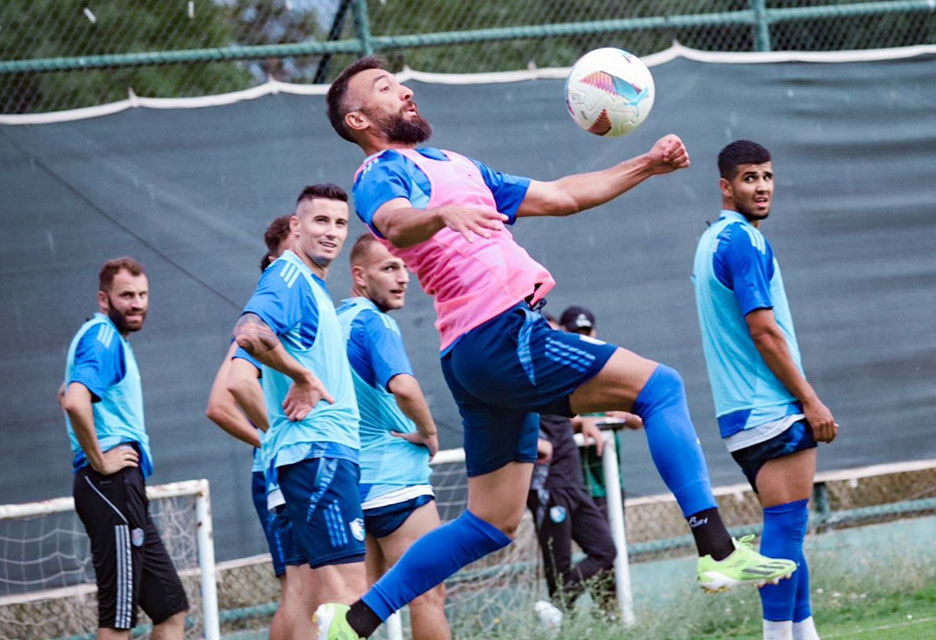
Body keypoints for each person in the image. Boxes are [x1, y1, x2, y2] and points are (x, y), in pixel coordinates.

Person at [314, 55, 796, 640]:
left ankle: (354, 620)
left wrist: (646, 164)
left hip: (473, 351)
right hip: (501, 334)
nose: (406, 92)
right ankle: (717, 551)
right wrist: (439, 214)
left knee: (490, 521)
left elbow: (563, 195)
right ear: (360, 120)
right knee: (660, 388)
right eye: (387, 88)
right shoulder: (379, 172)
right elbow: (394, 222)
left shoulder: (454, 164)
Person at [691, 140, 838, 640]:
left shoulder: (711, 240)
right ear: (725, 186)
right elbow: (764, 332)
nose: (762, 187)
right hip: (771, 407)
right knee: (786, 529)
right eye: (749, 178)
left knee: (787, 530)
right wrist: (810, 399)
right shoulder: (743, 241)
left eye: (767, 176)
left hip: (740, 414)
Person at [233, 184, 367, 638]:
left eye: (340, 223)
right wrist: (301, 376)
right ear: (296, 226)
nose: (332, 231)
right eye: (320, 220)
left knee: (308, 598)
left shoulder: (310, 285)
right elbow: (249, 332)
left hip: (310, 456)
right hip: (318, 454)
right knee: (349, 593)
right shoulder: (288, 275)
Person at [60, 257, 189, 640]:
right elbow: (74, 401)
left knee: (171, 609)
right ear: (104, 299)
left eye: (143, 295)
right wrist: (99, 459)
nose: (137, 304)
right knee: (117, 621)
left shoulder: (107, 339)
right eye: (126, 296)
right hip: (110, 485)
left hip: (124, 487)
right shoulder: (102, 337)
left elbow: (64, 392)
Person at [336, 233, 450, 640]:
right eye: (389, 268)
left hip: (348, 485)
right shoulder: (375, 321)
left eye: (404, 267)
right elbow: (403, 386)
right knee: (427, 596)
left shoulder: (332, 322)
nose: (403, 277)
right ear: (359, 276)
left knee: (355, 609)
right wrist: (428, 432)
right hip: (396, 483)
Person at [205, 214, 297, 640]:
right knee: (297, 590)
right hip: (278, 472)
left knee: (318, 587)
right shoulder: (258, 322)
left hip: (308, 463)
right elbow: (220, 405)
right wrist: (271, 436)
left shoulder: (301, 313)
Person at [529, 409, 616, 617]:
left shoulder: (552, 393)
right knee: (558, 566)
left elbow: (556, 417)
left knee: (605, 550)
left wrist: (582, 422)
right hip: (547, 488)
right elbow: (496, 420)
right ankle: (561, 617)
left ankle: (556, 608)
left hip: (574, 484)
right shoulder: (511, 392)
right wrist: (528, 442)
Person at [560, 305, 642, 518]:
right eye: (576, 333)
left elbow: (638, 419)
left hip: (610, 481)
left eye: (586, 332)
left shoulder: (607, 371)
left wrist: (623, 415)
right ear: (562, 332)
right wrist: (581, 423)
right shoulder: (558, 374)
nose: (583, 338)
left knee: (613, 536)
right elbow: (550, 421)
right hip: (572, 483)